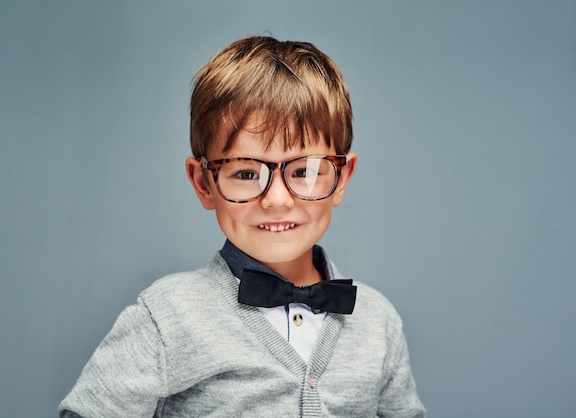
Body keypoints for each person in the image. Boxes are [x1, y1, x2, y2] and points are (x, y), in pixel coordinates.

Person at [59, 35, 426, 417]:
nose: (277, 199)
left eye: (305, 171)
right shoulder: (169, 315)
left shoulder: (377, 320)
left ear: (342, 178)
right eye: (247, 173)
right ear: (204, 183)